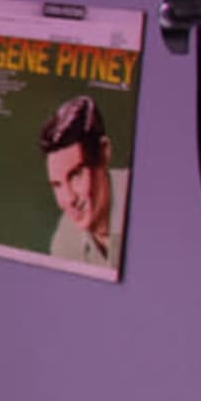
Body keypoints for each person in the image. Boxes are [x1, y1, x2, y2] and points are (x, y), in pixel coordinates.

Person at [42, 94, 133, 270]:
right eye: (57, 185)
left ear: (104, 153)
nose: (69, 199)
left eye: (75, 175)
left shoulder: (144, 199)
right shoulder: (65, 240)